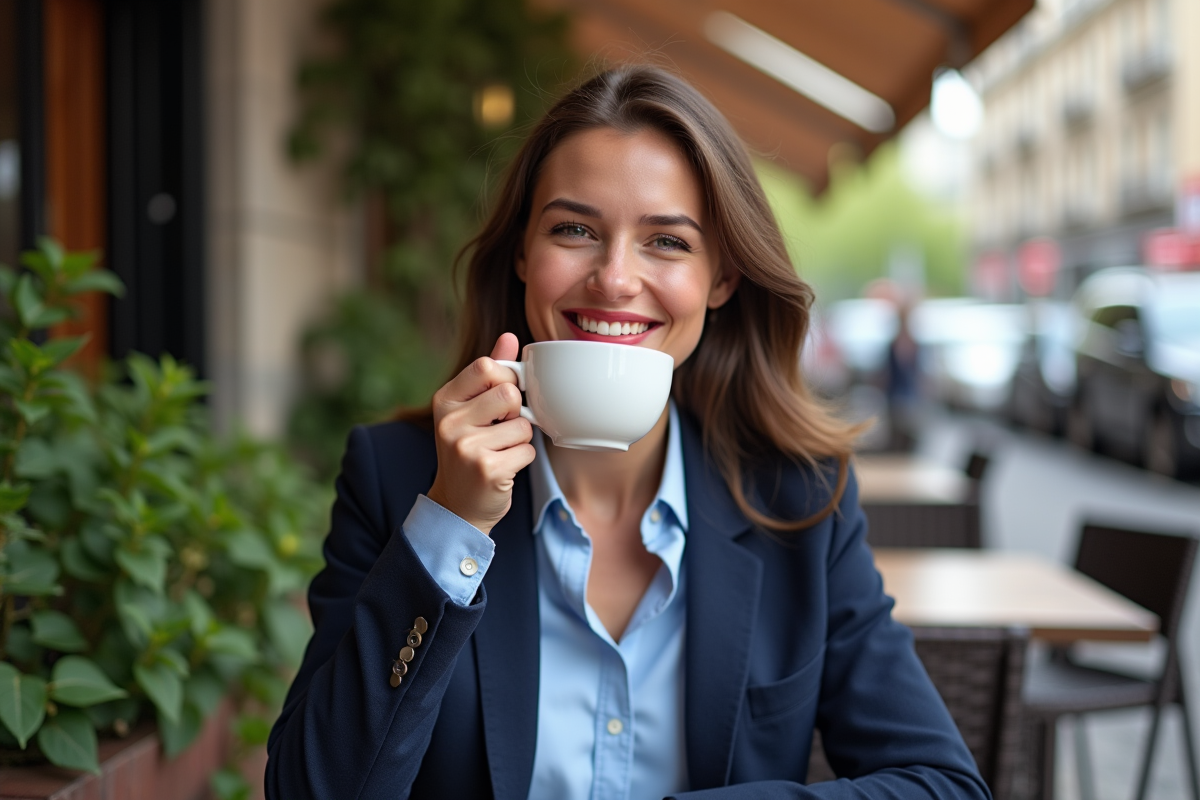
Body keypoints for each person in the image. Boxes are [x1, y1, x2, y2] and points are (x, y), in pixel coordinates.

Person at [266, 65, 989, 800]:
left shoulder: (800, 501)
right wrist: (451, 526)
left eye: (667, 242)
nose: (613, 279)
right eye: (574, 230)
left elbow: (944, 786)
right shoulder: (398, 481)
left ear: (722, 279)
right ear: (523, 256)